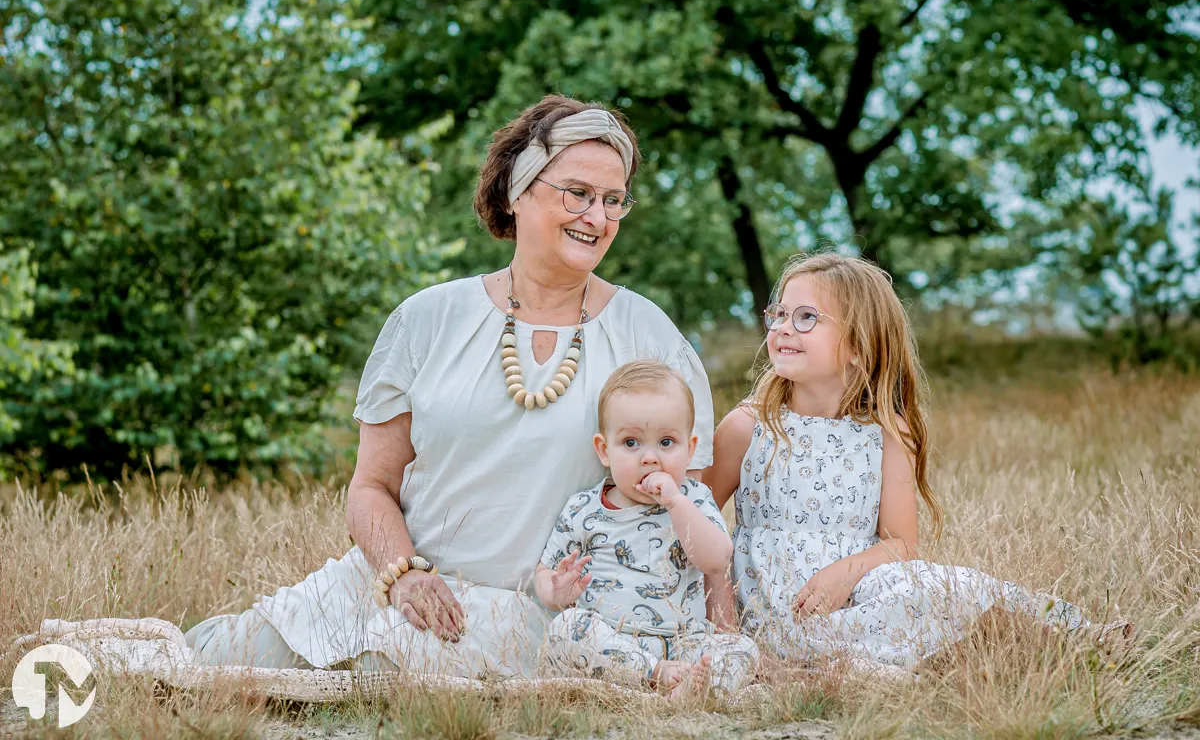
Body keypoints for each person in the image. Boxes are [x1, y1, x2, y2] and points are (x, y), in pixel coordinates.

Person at [184, 95, 715, 678]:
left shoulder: (650, 337)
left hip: (548, 625)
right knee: (204, 662)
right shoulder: (427, 318)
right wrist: (404, 572)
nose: (598, 217)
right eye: (578, 193)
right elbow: (370, 487)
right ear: (518, 191)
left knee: (381, 688)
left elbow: (686, 518)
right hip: (400, 590)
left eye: (614, 200)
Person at [702, 252, 1131, 671]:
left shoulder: (887, 433)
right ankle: (996, 647)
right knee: (913, 614)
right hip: (783, 608)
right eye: (778, 314)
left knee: (943, 587)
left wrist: (846, 572)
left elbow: (902, 544)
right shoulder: (749, 427)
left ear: (858, 345)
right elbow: (697, 520)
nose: (783, 328)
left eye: (806, 318)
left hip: (862, 586)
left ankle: (1075, 635)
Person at [536, 361, 759, 698]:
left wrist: (675, 503)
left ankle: (698, 686)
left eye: (667, 442)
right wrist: (554, 591)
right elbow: (545, 570)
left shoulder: (693, 499)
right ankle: (653, 675)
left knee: (741, 648)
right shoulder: (584, 508)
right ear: (603, 450)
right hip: (616, 640)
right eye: (631, 443)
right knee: (567, 628)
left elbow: (716, 560)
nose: (650, 457)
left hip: (688, 642)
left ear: (690, 448)